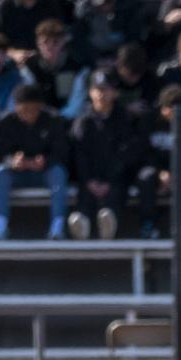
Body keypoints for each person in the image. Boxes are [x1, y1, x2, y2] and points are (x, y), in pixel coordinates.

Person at [67, 65, 137, 237]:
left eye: (105, 89)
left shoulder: (124, 119)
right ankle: (82, 225)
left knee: (116, 193)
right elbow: (78, 153)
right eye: (97, 90)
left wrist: (110, 180)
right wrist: (89, 180)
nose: (101, 94)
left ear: (115, 93)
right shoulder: (83, 121)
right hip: (90, 177)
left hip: (116, 178)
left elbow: (126, 153)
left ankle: (109, 225)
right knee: (85, 194)